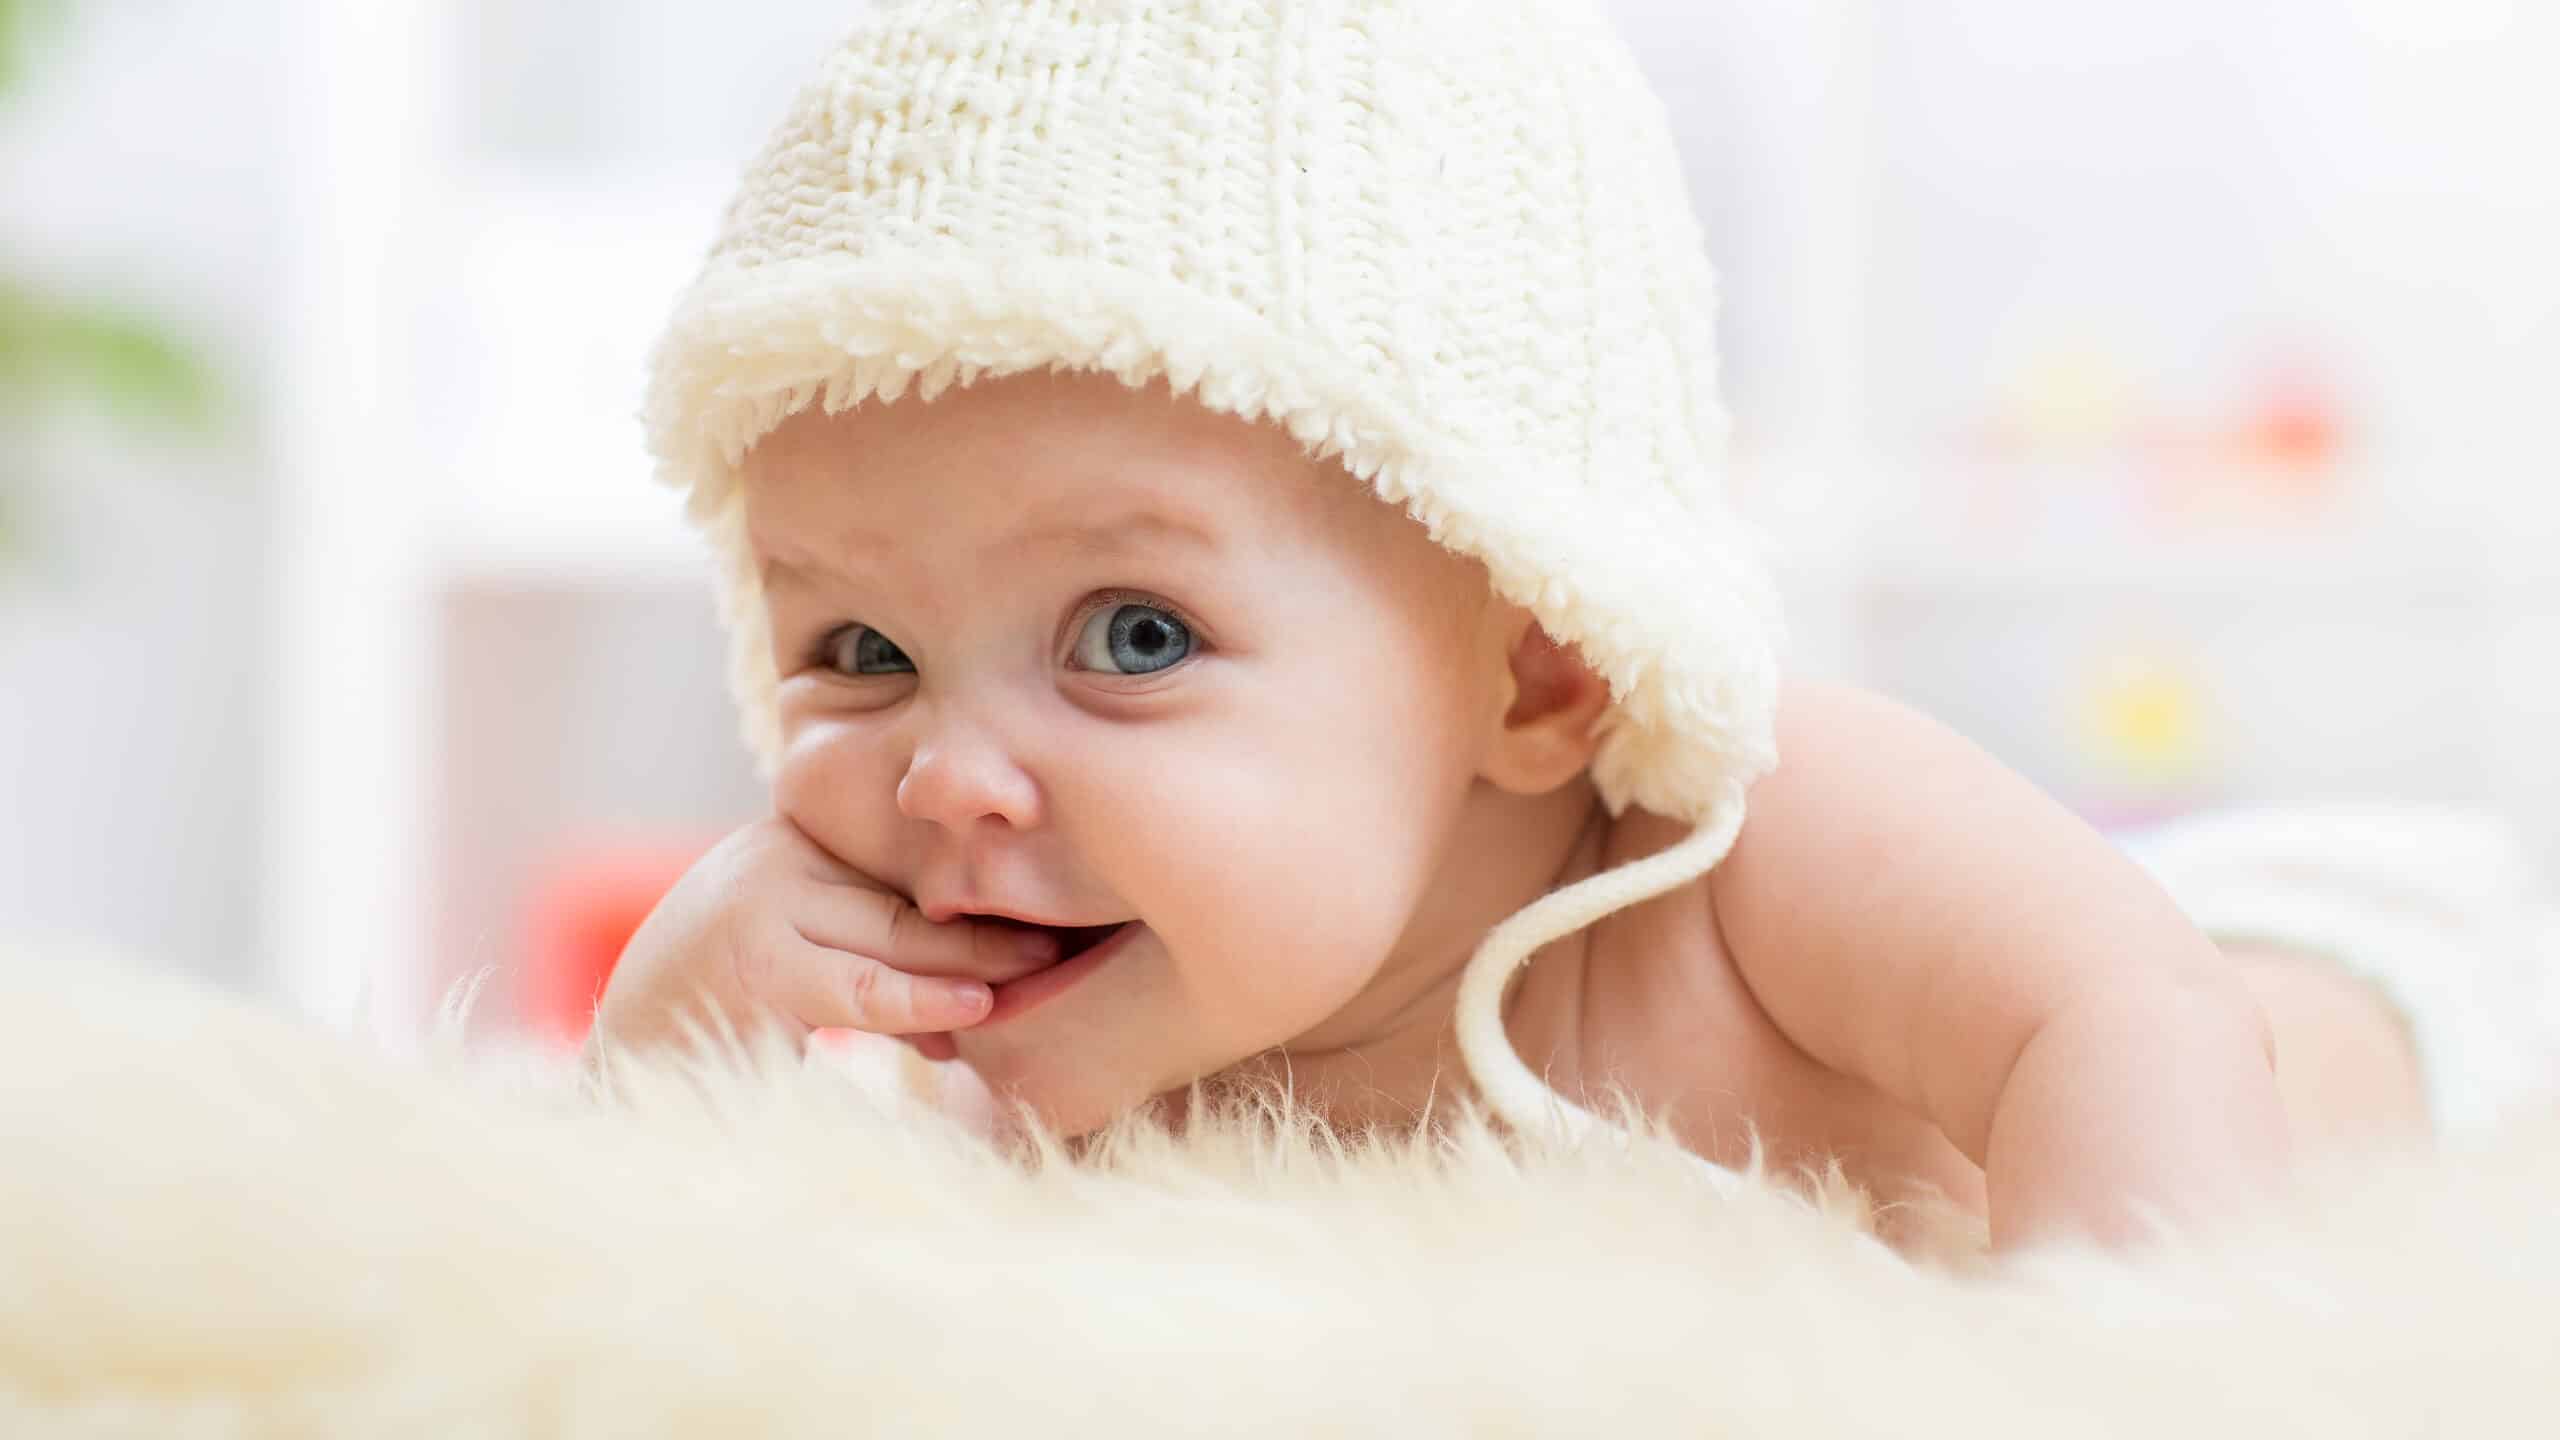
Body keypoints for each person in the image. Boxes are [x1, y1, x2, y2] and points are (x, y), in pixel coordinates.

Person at [591, 0, 2541, 1252]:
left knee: (2252, 972)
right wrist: (670, 1047)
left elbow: (2125, 1021)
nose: (942, 775)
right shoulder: (1065, 1011)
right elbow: (681, 1306)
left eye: (1128, 635)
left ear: (1537, 666)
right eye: (857, 652)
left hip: (2343, 965)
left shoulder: (1753, 843)